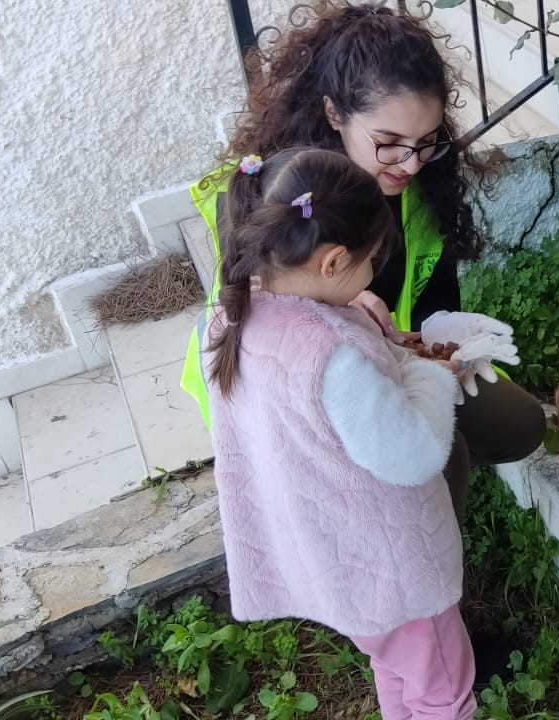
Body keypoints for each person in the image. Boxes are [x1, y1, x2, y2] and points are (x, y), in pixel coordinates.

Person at [179, 1, 546, 525]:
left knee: (518, 426)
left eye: (426, 143)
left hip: (381, 356)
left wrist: (430, 346)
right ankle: (412, 566)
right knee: (438, 463)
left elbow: (432, 301)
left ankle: (401, 505)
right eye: (389, 143)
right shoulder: (275, 194)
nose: (411, 164)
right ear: (334, 114)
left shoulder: (423, 189)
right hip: (290, 388)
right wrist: (344, 311)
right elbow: (262, 327)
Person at [204, 147, 514, 720]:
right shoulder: (334, 356)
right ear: (332, 262)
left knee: (394, 667)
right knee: (443, 692)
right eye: (371, 260)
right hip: (393, 573)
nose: (374, 274)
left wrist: (376, 334)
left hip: (337, 566)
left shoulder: (236, 316)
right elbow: (412, 453)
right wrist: (429, 376)